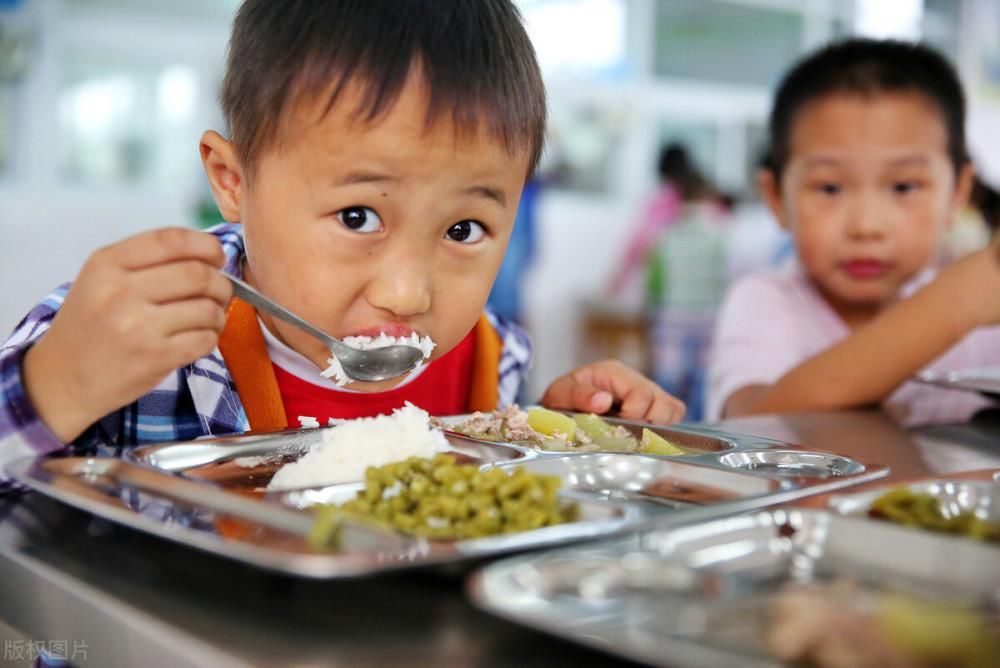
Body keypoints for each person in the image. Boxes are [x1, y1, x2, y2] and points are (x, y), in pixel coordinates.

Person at [0, 0, 683, 491]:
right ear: (233, 182)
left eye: (463, 230)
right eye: (358, 216)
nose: (407, 292)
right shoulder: (134, 340)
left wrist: (560, 432)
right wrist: (57, 384)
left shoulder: (492, 359)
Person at [707, 38, 1000, 426]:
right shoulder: (766, 302)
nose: (867, 227)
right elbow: (751, 423)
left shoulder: (984, 320)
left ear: (958, 194)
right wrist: (957, 303)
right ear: (777, 197)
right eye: (830, 188)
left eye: (904, 187)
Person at [609, 143, 729, 420]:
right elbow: (728, 266)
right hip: (709, 310)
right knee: (702, 376)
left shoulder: (663, 210)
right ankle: (699, 427)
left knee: (666, 373)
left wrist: (623, 287)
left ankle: (660, 424)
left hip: (671, 309)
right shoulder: (718, 216)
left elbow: (642, 250)